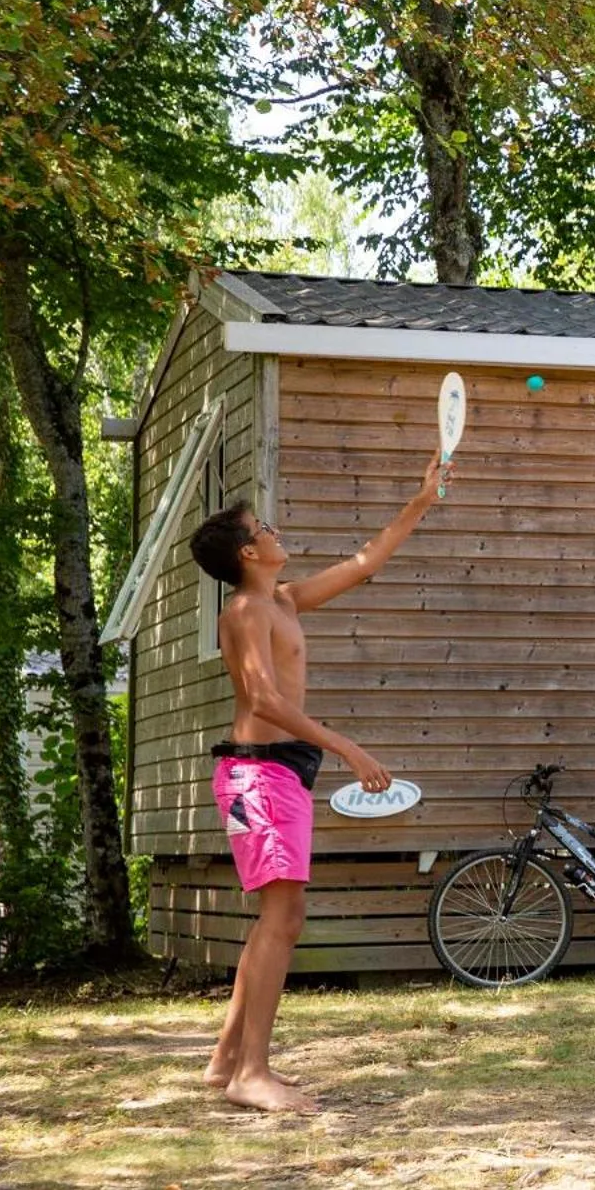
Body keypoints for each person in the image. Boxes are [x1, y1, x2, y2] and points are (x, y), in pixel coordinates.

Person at [187, 454, 449, 1112]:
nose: (276, 530)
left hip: (276, 775)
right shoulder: (245, 612)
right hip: (258, 774)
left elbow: (364, 564)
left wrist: (420, 501)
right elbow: (265, 700)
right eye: (265, 526)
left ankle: (226, 1061)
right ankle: (253, 1071)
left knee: (277, 918)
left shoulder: (280, 599)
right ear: (250, 551)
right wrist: (344, 743)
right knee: (283, 918)